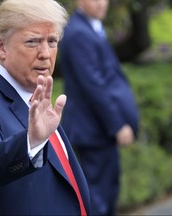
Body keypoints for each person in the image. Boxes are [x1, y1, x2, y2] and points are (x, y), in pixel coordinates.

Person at [0, 0, 90, 215]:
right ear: (1, 47)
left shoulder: (35, 94)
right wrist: (31, 141)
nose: (45, 53)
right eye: (32, 42)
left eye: (52, 41)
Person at [59, 0, 139, 215]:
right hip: (92, 131)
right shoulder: (78, 34)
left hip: (98, 130)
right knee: (98, 200)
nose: (101, 3)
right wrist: (117, 125)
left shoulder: (91, 27)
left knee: (106, 194)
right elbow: (93, 86)